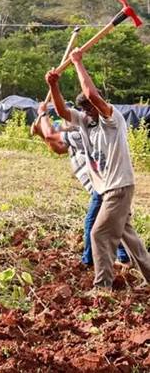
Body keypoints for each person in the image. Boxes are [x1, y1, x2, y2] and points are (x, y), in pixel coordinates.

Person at [46, 49, 150, 290]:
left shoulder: (112, 119)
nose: (89, 113)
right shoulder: (85, 121)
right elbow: (61, 111)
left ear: (99, 106)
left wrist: (78, 63)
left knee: (98, 234)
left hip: (119, 187)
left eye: (92, 108)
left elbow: (91, 93)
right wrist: (53, 86)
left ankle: (102, 287)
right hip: (107, 190)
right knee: (129, 238)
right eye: (86, 110)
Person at [32, 101, 129, 266]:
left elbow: (51, 136)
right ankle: (124, 257)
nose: (62, 123)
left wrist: (42, 114)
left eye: (66, 119)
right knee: (116, 221)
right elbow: (58, 148)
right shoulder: (71, 136)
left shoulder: (79, 131)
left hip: (104, 185)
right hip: (103, 184)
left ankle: (89, 260)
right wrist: (41, 133)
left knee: (92, 222)